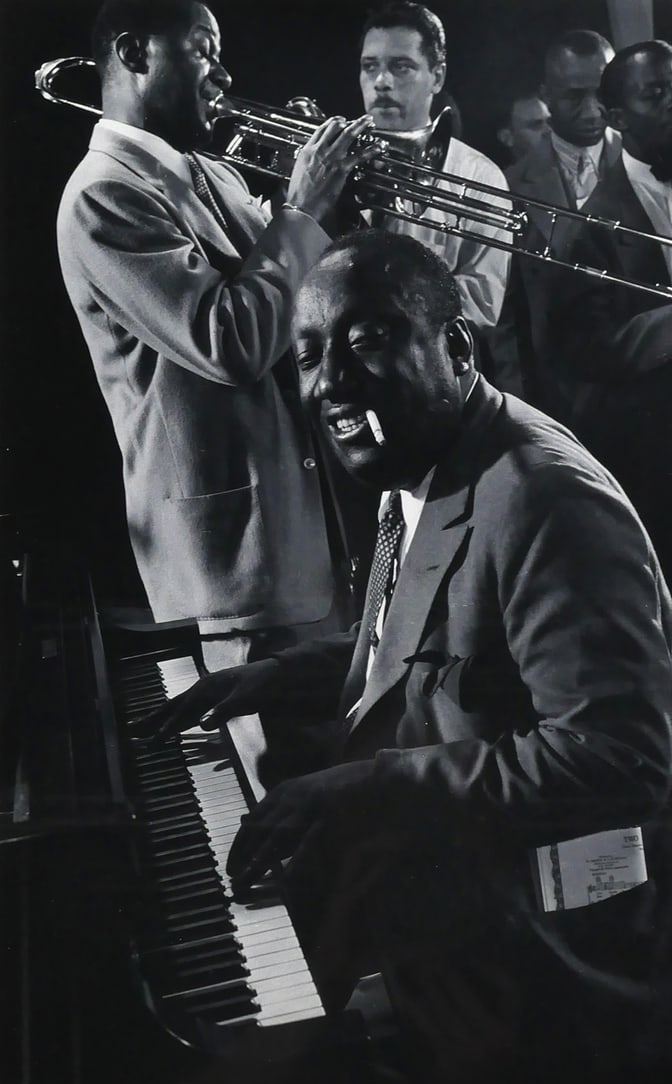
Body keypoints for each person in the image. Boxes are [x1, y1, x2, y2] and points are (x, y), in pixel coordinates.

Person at [141, 229, 672, 1084]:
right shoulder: (425, 457)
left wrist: (367, 787)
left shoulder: (546, 501)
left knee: (276, 1048)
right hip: (508, 879)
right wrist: (284, 675)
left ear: (456, 345)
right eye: (308, 357)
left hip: (596, 949)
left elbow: (618, 760)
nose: (331, 382)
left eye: (366, 342)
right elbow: (442, 635)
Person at [57, 0, 377, 704]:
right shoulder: (103, 195)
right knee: (286, 764)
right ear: (135, 54)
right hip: (241, 561)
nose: (224, 74)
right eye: (204, 50)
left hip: (310, 530)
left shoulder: (211, 172)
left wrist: (341, 211)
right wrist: (302, 210)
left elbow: (301, 305)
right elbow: (231, 342)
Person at [551, 40, 672, 753]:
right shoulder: (587, 224)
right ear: (615, 117)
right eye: (654, 95)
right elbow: (584, 350)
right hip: (660, 450)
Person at [358, 2, 510, 332]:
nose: (381, 82)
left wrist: (383, 305)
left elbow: (482, 302)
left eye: (401, 67)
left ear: (437, 76)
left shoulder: (480, 176)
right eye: (370, 67)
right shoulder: (333, 162)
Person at [488, 29, 618, 403]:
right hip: (561, 395)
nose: (592, 111)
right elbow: (506, 318)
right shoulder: (508, 186)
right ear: (546, 96)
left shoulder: (645, 161)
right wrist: (517, 408)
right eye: (575, 97)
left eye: (601, 94)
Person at [496, 92, 551, 178]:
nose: (549, 130)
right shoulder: (498, 180)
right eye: (536, 125)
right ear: (507, 137)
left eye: (550, 122)